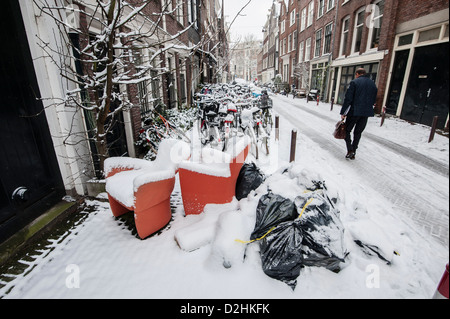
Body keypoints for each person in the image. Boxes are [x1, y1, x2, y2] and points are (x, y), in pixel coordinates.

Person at [340, 68, 378, 160]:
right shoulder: (372, 84)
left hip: (354, 111)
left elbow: (348, 99)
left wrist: (343, 112)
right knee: (358, 132)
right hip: (365, 113)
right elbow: (374, 98)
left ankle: (350, 149)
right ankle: (353, 151)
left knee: (347, 131)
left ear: (357, 74)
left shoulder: (354, 82)